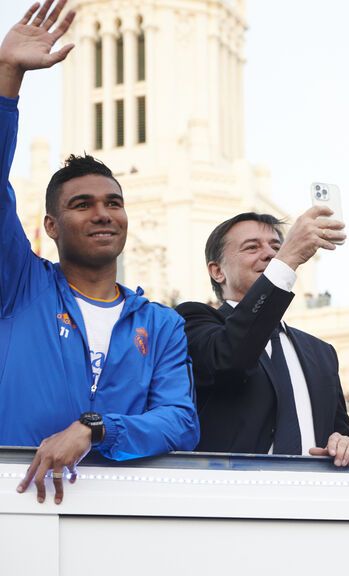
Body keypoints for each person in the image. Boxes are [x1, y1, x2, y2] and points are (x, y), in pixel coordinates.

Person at [0, 0, 199, 504]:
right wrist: (7, 78)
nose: (103, 214)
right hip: (19, 500)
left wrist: (94, 428)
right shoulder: (21, 287)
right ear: (50, 225)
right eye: (82, 205)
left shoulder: (159, 324)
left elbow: (179, 421)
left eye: (113, 203)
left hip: (122, 515)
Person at [176, 211, 349, 466]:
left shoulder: (321, 352)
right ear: (217, 271)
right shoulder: (193, 321)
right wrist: (286, 261)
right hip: (234, 495)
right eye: (252, 247)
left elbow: (341, 433)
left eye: (277, 246)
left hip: (316, 497)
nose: (270, 254)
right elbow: (230, 359)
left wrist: (348, 446)